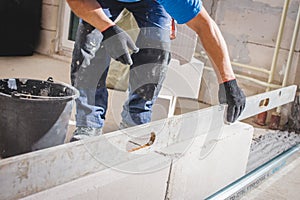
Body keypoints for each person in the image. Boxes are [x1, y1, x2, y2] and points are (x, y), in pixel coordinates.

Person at [66, 0, 245, 141]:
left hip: (151, 2)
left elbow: (204, 25)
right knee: (90, 40)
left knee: (157, 47)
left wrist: (228, 81)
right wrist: (107, 28)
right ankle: (88, 124)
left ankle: (135, 121)